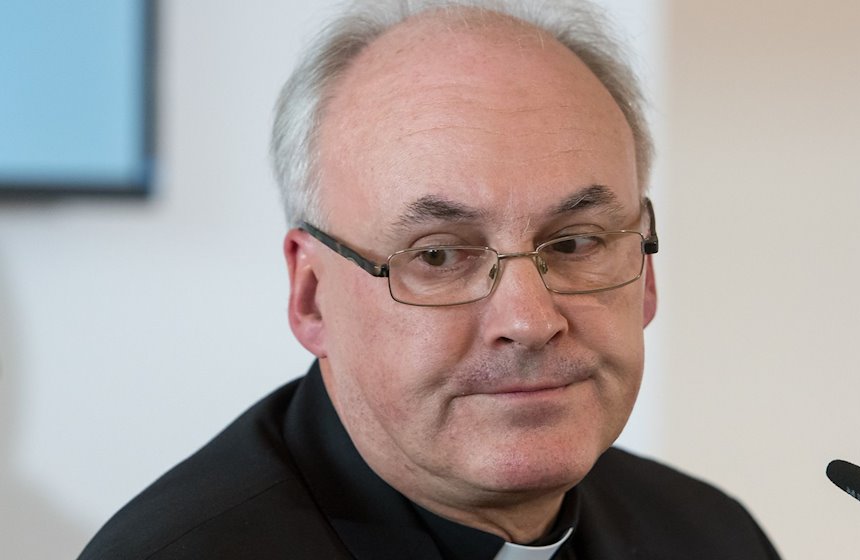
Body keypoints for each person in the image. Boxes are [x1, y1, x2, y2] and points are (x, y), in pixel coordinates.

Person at [79, 1, 781, 558]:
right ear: (312, 295)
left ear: (646, 275)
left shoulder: (711, 536)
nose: (531, 319)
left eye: (575, 242)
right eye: (440, 255)